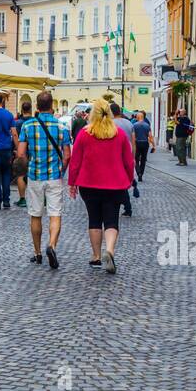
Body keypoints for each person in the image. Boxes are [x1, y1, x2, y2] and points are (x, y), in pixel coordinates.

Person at [67, 99, 135, 274]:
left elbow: (75, 161)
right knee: (112, 220)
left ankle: (96, 256)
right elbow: (129, 161)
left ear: (92, 114)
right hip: (115, 184)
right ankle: (110, 251)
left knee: (94, 219)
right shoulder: (119, 134)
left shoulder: (84, 134)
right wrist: (128, 179)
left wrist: (72, 182)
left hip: (89, 184)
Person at [17, 92, 71, 269]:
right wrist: (61, 169)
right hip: (54, 176)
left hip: (35, 176)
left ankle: (38, 252)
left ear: (37, 107)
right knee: (55, 214)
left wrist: (28, 166)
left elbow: (21, 154)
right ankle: (52, 245)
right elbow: (67, 155)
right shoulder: (62, 127)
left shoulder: (27, 125)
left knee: (36, 214)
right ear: (52, 106)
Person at [109, 102, 140, 217]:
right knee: (123, 180)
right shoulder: (129, 123)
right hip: (127, 154)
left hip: (116, 155)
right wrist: (133, 157)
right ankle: (127, 206)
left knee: (116, 182)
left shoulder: (110, 124)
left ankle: (125, 206)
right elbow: (133, 142)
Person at [11, 98, 34, 207]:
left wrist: (16, 149)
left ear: (22, 109)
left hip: (21, 151)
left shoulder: (18, 123)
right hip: (34, 151)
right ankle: (40, 198)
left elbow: (14, 136)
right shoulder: (35, 122)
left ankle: (22, 199)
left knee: (21, 174)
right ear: (31, 109)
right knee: (36, 175)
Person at [131, 109, 155, 181]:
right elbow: (150, 136)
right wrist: (153, 145)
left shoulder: (134, 125)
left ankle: (138, 173)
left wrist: (132, 145)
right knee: (143, 159)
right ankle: (141, 172)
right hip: (145, 143)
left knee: (136, 159)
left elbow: (133, 137)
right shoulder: (147, 125)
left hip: (137, 143)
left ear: (138, 117)